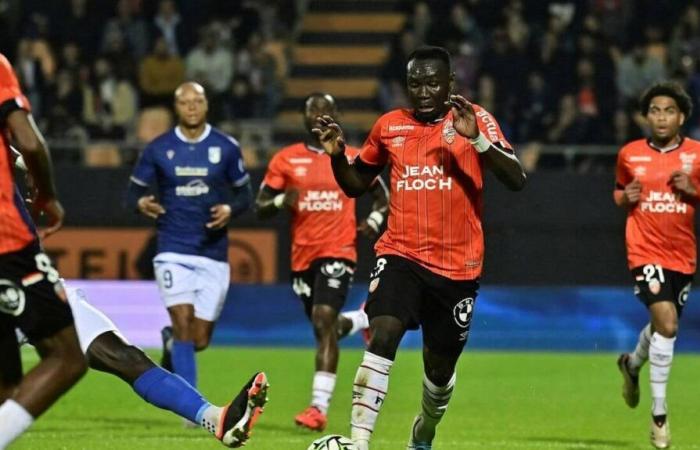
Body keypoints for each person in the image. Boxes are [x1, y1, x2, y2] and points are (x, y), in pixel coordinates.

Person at [312, 46, 526, 450]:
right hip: (400, 254)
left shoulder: (473, 119)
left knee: (439, 370)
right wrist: (338, 155)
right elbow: (356, 183)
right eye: (415, 83)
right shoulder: (390, 126)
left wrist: (477, 140)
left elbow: (516, 178)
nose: (423, 91)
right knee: (383, 334)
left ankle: (424, 429)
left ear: (450, 84)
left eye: (432, 82)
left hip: (458, 267)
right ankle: (359, 443)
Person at [4, 149, 268, 448]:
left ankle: (215, 418)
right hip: (9, 284)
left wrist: (27, 167)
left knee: (123, 355)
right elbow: (29, 141)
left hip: (35, 283)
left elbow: (25, 149)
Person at [256, 93, 389, 431]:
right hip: (302, 258)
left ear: (336, 114)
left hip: (338, 251)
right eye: (312, 110)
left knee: (322, 319)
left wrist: (373, 222)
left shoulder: (352, 157)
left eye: (326, 110)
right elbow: (259, 206)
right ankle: (360, 320)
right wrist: (284, 199)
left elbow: (382, 198)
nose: (319, 115)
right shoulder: (286, 160)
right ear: (302, 117)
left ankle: (318, 408)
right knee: (324, 329)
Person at [126, 81, 253, 424]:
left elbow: (245, 196)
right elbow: (132, 192)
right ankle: (195, 410)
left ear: (206, 105)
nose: (192, 107)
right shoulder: (159, 148)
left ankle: (170, 345)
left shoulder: (225, 147)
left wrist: (230, 209)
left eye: (198, 101)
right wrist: (141, 203)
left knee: (198, 339)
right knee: (183, 324)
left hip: (213, 252)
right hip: (172, 248)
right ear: (176, 107)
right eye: (185, 102)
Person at [0, 52, 87, 449]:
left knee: (7, 386)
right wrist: (47, 195)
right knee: (67, 356)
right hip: (5, 241)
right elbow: (30, 141)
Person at [614, 81, 699, 450]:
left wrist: (694, 191)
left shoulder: (697, 154)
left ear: (681, 117)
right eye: (654, 111)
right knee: (668, 323)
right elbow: (619, 190)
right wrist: (624, 196)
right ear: (646, 116)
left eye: (668, 111)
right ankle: (659, 417)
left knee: (662, 328)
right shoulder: (630, 153)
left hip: (682, 254)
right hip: (644, 250)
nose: (661, 117)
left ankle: (632, 365)